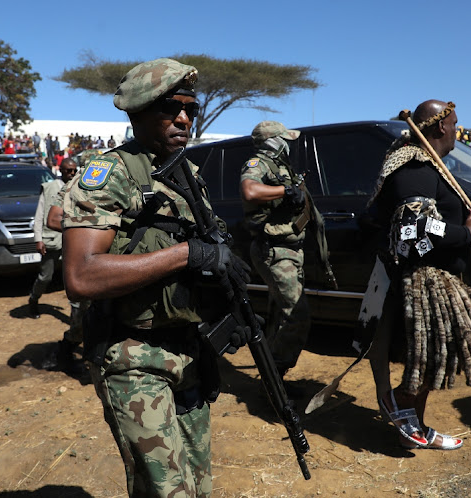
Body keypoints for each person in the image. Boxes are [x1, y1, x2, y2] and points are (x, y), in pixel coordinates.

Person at [61, 57, 250, 497]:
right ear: (139, 111)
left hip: (188, 349)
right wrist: (185, 254)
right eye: (170, 108)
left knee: (198, 485)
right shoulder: (109, 175)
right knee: (167, 491)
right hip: (134, 357)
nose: (183, 118)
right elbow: (81, 276)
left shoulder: (188, 176)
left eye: (191, 109)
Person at [366, 99, 471, 450]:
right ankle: (405, 419)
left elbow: (425, 223)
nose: (458, 131)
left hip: (437, 274)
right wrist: (468, 233)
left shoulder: (428, 166)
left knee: (431, 357)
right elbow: (412, 230)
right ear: (440, 128)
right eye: (456, 125)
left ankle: (414, 424)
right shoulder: (415, 169)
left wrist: (464, 228)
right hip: (425, 279)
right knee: (426, 358)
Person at [239, 120, 336, 397]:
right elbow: (250, 190)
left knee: (280, 317)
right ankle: (274, 382)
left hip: (289, 251)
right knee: (296, 316)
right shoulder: (257, 164)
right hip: (274, 251)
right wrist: (285, 191)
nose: (288, 145)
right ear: (273, 141)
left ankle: (271, 380)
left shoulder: (280, 167)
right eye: (285, 140)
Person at [28, 158, 78, 320]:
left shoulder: (79, 187)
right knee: (45, 276)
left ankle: (75, 314)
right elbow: (40, 213)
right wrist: (38, 239)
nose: (71, 173)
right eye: (68, 170)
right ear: (61, 171)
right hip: (52, 239)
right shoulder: (49, 188)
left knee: (72, 278)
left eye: (73, 170)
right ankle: (34, 299)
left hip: (71, 241)